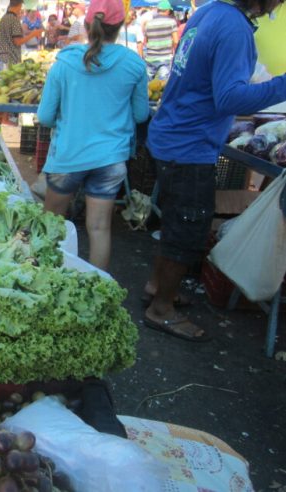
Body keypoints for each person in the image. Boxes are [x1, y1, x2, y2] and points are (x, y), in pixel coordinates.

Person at [143, 0, 286, 341]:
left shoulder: (210, 11)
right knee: (187, 228)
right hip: (189, 146)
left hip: (173, 134)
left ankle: (157, 287)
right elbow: (230, 99)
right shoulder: (234, 27)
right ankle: (161, 309)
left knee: (176, 220)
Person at [37, 0, 149, 271]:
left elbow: (45, 117)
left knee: (50, 223)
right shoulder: (134, 64)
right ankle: (97, 289)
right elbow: (141, 115)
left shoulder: (64, 63)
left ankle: (41, 280)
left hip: (68, 156)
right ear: (121, 25)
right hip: (110, 160)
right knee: (99, 228)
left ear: (87, 25)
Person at [0, 0, 44, 72]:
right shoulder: (14, 20)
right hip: (10, 59)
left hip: (1, 57)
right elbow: (18, 41)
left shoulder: (3, 18)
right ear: (19, 5)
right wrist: (33, 34)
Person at [142, 0, 178, 78]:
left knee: (148, 84)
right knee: (163, 84)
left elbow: (146, 41)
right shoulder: (172, 22)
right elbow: (175, 41)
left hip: (150, 57)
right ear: (168, 10)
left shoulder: (148, 23)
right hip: (165, 57)